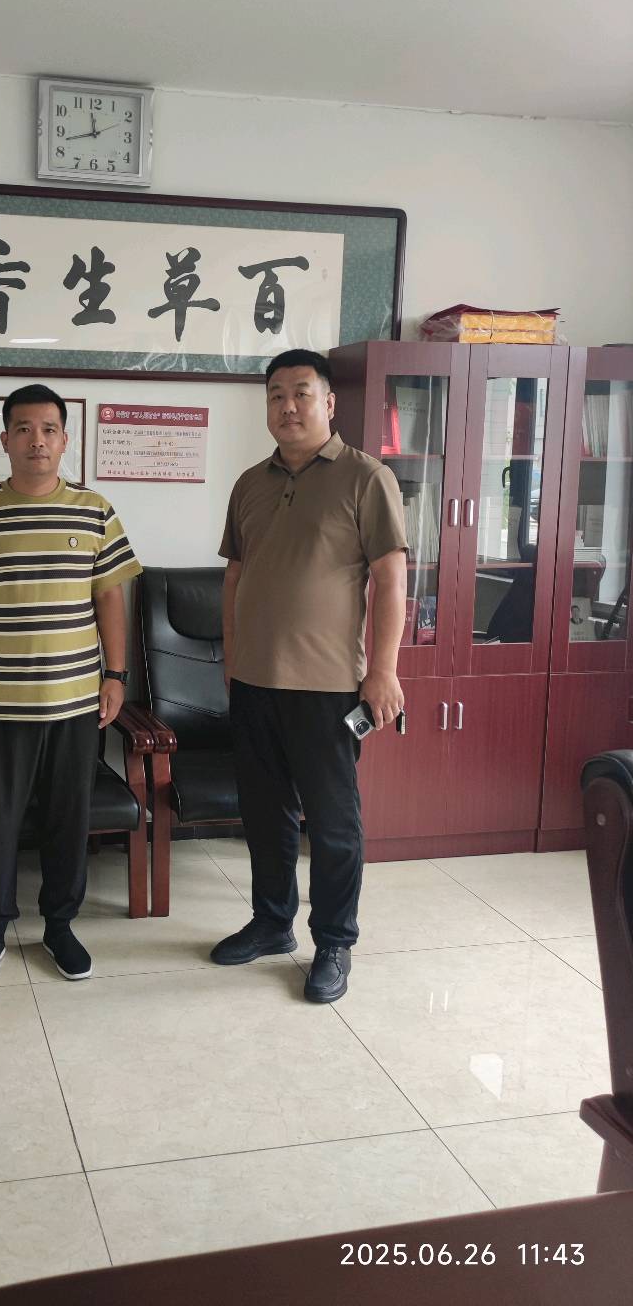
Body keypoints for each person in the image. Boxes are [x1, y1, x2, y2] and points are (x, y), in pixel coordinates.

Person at [0, 384, 141, 990]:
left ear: (65, 440)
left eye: (48, 429)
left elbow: (110, 597)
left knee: (68, 820)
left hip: (76, 702)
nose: (36, 440)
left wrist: (116, 677)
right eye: (23, 429)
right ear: (5, 440)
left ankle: (60, 926)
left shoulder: (95, 511)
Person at [212, 349, 407, 1003]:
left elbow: (391, 579)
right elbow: (236, 576)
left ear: (328, 402)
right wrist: (233, 660)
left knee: (332, 823)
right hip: (254, 683)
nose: (287, 406)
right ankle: (272, 923)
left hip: (328, 687)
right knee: (264, 815)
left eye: (301, 392)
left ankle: (334, 942)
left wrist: (383, 671)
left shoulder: (366, 477)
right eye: (275, 395)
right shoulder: (250, 483)